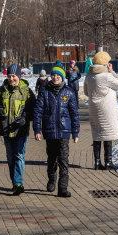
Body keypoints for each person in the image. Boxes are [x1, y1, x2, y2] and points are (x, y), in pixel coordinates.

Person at [33, 66, 80, 198]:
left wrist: (75, 132)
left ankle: (62, 188)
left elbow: (74, 114)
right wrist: (37, 130)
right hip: (49, 131)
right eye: (53, 75)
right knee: (52, 159)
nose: (55, 78)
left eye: (58, 76)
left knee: (64, 160)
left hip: (64, 132)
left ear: (62, 77)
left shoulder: (69, 92)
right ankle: (51, 180)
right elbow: (37, 112)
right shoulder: (44, 92)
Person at [0, 63, 36, 196]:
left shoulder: (26, 91)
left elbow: (34, 109)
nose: (11, 79)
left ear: (19, 76)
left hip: (21, 130)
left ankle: (18, 183)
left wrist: (25, 118)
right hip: (6, 129)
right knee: (10, 158)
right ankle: (14, 181)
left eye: (14, 76)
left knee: (19, 156)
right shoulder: (2, 90)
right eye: (10, 76)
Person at [83, 51, 118, 170]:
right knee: (108, 134)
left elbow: (86, 92)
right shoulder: (106, 76)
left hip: (94, 109)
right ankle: (108, 162)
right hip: (107, 109)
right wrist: (112, 72)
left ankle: (97, 162)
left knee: (97, 134)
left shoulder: (89, 75)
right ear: (104, 63)